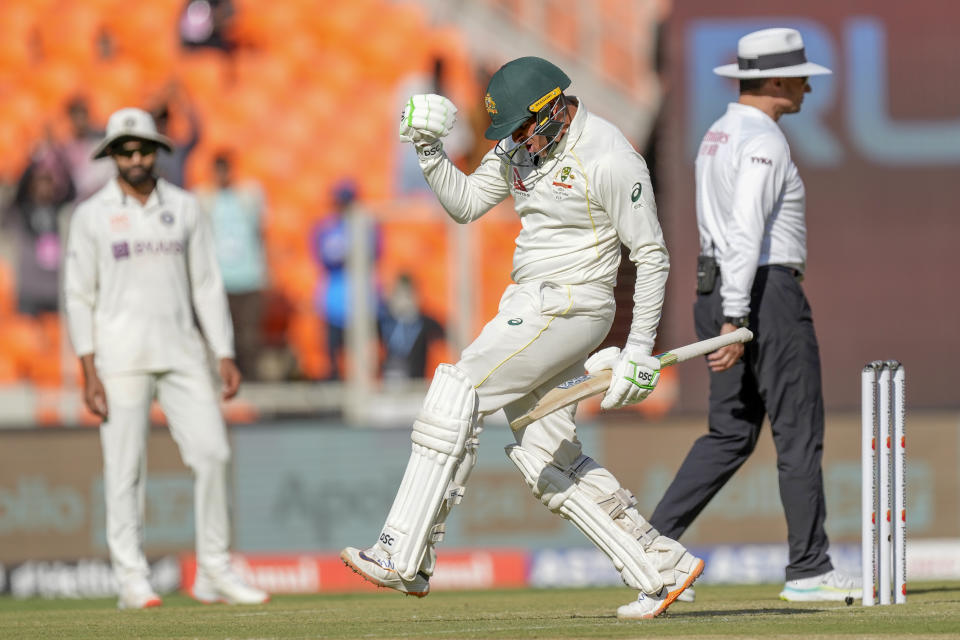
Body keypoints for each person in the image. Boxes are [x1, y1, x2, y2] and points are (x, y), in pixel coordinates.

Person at [340, 56, 701, 620]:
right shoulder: (518, 145)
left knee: (457, 389)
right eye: (507, 133)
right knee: (546, 458)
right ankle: (662, 566)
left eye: (521, 128)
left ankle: (403, 553)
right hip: (530, 301)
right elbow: (464, 205)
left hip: (572, 303)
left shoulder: (609, 155)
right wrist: (428, 150)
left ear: (554, 106)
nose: (515, 143)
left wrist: (638, 350)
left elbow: (651, 257)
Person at [647, 28, 861, 603]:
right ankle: (810, 570)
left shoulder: (716, 133)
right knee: (797, 429)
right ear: (773, 80)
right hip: (761, 294)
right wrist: (736, 320)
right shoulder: (763, 138)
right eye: (799, 78)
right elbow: (747, 228)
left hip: (715, 286)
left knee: (730, 434)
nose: (807, 90)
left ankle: (649, 551)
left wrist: (725, 309)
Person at [63, 107, 269, 609]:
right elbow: (78, 295)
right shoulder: (91, 215)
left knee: (213, 452)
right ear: (111, 155)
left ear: (157, 151)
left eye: (143, 149)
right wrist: (87, 368)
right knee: (125, 467)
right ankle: (131, 578)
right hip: (119, 357)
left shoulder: (184, 206)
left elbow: (206, 284)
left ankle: (214, 571)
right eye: (125, 150)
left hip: (183, 352)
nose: (136, 158)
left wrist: (223, 351)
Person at [196, 152, 267, 380]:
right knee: (220, 336)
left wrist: (265, 268)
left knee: (248, 336)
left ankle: (251, 381)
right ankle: (220, 380)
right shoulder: (205, 200)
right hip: (219, 279)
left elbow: (260, 233)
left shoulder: (247, 197)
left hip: (248, 277)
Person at [310, 180, 382, 380]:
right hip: (335, 298)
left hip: (362, 296)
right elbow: (323, 256)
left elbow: (374, 254)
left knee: (362, 349)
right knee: (333, 350)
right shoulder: (326, 228)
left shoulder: (367, 226)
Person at [4, 144, 75, 315]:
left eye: (48, 182)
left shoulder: (59, 210)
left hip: (56, 291)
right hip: (30, 292)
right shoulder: (21, 211)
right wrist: (31, 163)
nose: (44, 187)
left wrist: (59, 157)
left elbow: (72, 191)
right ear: (31, 185)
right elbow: (18, 192)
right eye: (39, 182)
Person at [379, 273, 444, 382]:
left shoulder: (425, 323)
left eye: (407, 296)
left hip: (416, 384)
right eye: (399, 296)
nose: (403, 302)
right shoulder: (384, 321)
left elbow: (448, 334)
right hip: (387, 384)